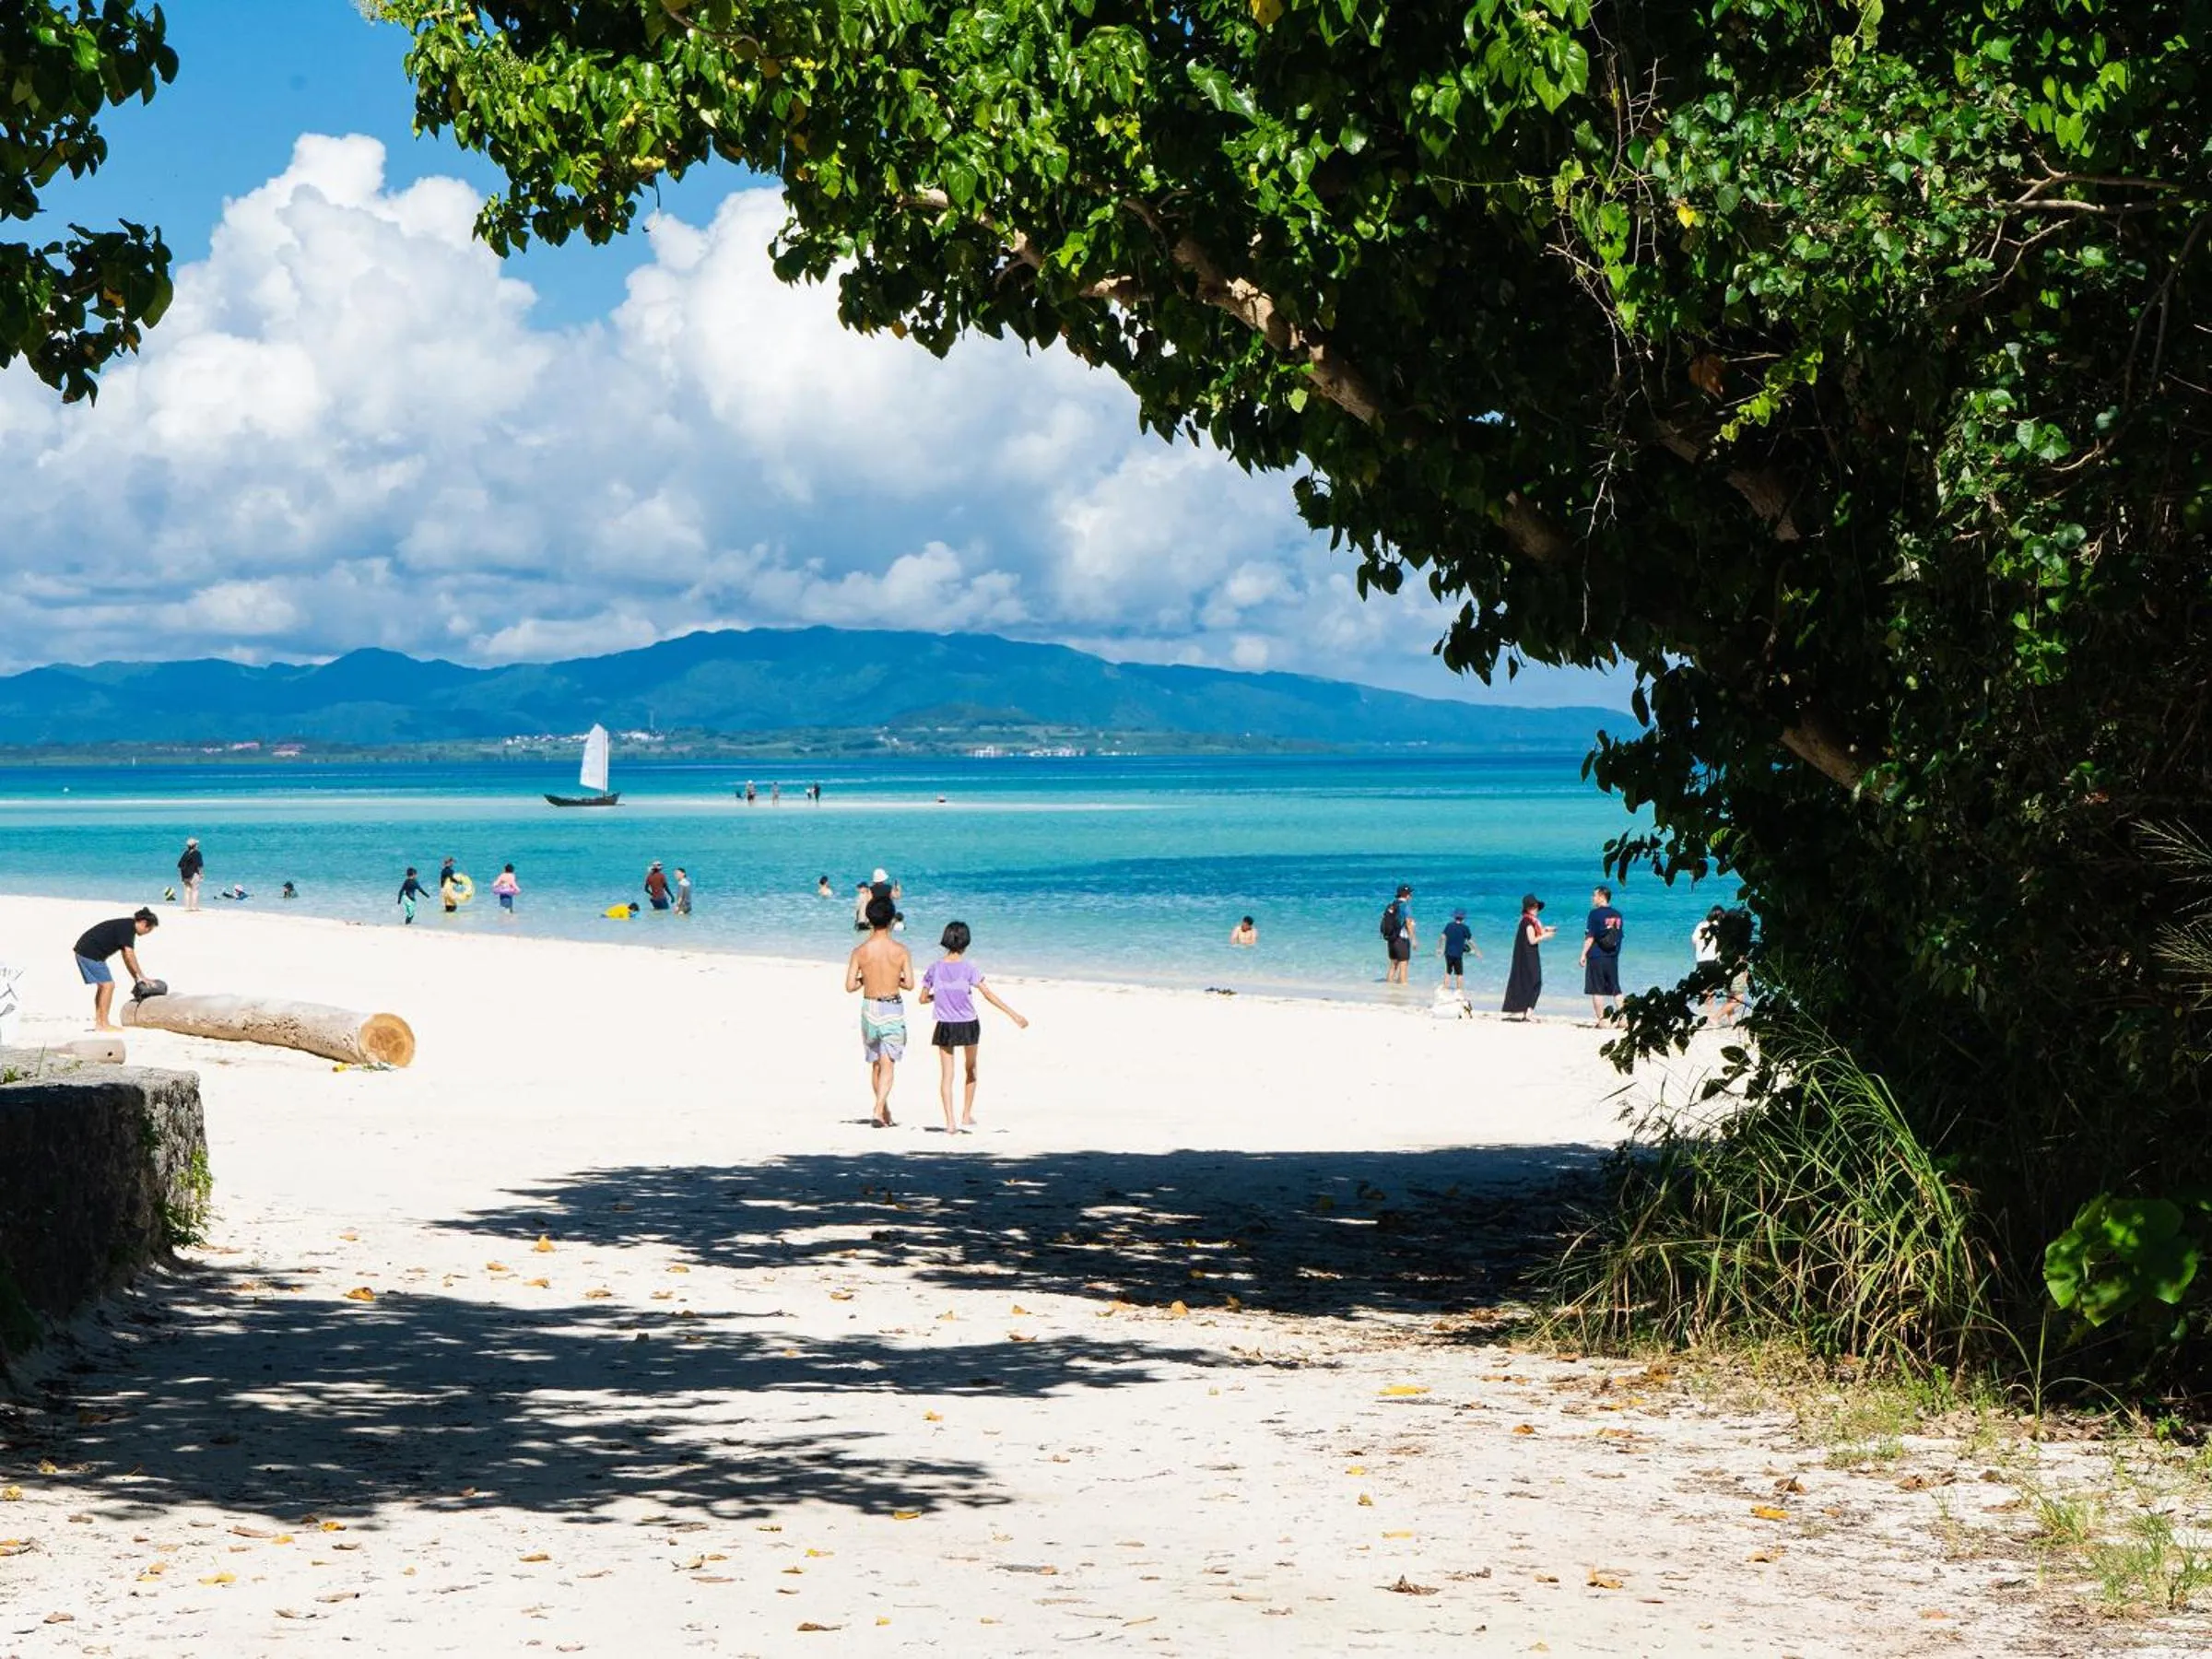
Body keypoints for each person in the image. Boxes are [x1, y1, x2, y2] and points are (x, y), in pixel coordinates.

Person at [920, 921, 1029, 1134]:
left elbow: (923, 999)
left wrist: (939, 995)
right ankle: (966, 1115)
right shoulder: (969, 968)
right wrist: (1014, 1015)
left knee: (947, 1075)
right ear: (966, 942)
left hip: (945, 1025)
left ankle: (950, 1123)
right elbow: (987, 994)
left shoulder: (935, 968)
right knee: (970, 1068)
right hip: (968, 1023)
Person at [844, 894, 914, 1127]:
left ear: (869, 919)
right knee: (888, 1063)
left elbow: (850, 986)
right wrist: (895, 979)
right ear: (892, 920)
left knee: (875, 1063)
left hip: (869, 1007)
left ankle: (884, 1112)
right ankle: (878, 1109)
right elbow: (910, 984)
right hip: (892, 1007)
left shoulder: (860, 951)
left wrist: (867, 979)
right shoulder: (901, 950)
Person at [74, 908, 157, 1031]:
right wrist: (142, 976)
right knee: (108, 986)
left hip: (85, 951)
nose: (147, 933)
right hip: (89, 953)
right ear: (144, 923)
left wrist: (136, 977)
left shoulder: (127, 926)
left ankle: (100, 1023)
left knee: (103, 987)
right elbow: (129, 955)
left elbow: (126, 957)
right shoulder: (127, 929)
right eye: (148, 930)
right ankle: (104, 1024)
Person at [1501, 894, 1557, 1019]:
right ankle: (1528, 1012)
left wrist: (1546, 929)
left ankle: (1527, 1011)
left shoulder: (1530, 920)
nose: (1536, 909)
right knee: (1535, 981)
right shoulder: (1528, 922)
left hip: (1527, 955)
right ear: (1528, 908)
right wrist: (1546, 936)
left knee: (1529, 980)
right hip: (1528, 955)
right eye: (1533, 907)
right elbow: (1532, 940)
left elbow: (1537, 931)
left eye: (1536, 907)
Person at [1581, 885, 1626, 1024]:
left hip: (1596, 955)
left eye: (1594, 895)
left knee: (1597, 989)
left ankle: (1603, 1020)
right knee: (1615, 988)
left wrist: (1583, 954)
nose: (1593, 898)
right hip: (1612, 956)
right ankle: (1624, 1018)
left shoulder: (1594, 914)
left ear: (1601, 896)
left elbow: (1590, 936)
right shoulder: (1617, 914)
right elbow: (1618, 936)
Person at [1693, 904, 1724, 1022]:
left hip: (1701, 960)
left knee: (1706, 989)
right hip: (1714, 961)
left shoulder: (1701, 925)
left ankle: (1709, 1014)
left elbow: (1694, 940)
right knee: (1713, 989)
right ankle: (1713, 1017)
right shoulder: (1720, 927)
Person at [1382, 884, 1416, 984]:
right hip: (1401, 938)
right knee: (1403, 964)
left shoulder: (1392, 904)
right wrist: (1413, 939)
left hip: (1391, 938)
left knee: (1393, 965)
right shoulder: (1405, 906)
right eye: (1410, 893)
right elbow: (1408, 923)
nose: (1411, 895)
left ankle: (1388, 988)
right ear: (1406, 895)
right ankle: (1403, 990)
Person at [1440, 907, 1479, 991]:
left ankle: (1445, 989)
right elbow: (1470, 941)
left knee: (1448, 972)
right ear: (1463, 918)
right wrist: (1477, 950)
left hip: (1448, 953)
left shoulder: (1449, 925)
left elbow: (1442, 937)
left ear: (1454, 917)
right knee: (1459, 974)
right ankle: (1459, 991)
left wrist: (1439, 948)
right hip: (1458, 954)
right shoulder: (1465, 928)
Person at [176, 838, 204, 912]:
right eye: (196, 844)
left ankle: (187, 907)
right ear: (195, 845)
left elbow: (180, 864)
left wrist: (182, 876)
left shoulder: (185, 853)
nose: (197, 846)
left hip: (185, 874)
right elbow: (199, 865)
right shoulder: (197, 853)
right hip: (193, 874)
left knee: (187, 891)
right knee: (195, 890)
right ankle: (194, 907)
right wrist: (201, 874)